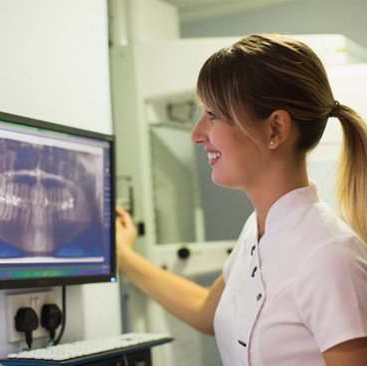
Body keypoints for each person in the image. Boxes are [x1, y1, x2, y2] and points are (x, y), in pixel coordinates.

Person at [116, 33, 367, 366]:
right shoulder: (257, 230)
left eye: (213, 115)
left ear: (275, 129)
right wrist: (123, 256)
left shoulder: (329, 256)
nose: (196, 134)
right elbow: (206, 311)